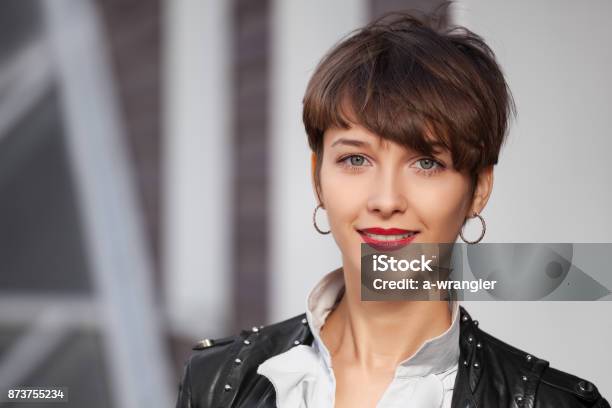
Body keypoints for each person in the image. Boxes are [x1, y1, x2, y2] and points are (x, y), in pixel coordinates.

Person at [175, 12, 610, 408]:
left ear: (478, 188)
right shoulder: (215, 382)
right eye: (355, 159)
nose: (385, 200)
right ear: (317, 178)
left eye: (426, 163)